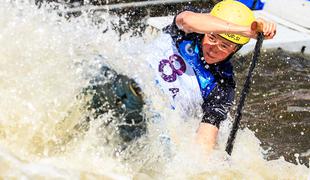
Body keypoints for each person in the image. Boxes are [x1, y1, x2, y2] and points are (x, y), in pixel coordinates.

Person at [146, 0, 277, 154]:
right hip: (134, 84)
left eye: (224, 46)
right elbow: (187, 20)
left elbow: (205, 141)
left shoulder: (222, 85)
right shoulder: (188, 32)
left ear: (235, 50)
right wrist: (243, 30)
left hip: (155, 123)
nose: (214, 49)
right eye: (212, 38)